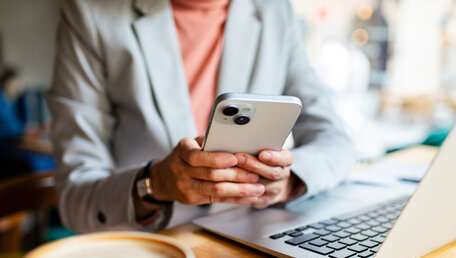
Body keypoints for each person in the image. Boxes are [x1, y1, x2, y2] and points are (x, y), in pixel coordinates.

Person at [47, 0, 356, 233]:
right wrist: (154, 184)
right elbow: (77, 199)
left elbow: (337, 142)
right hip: (150, 253)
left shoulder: (274, 11)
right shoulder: (89, 14)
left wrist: (288, 182)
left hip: (254, 248)